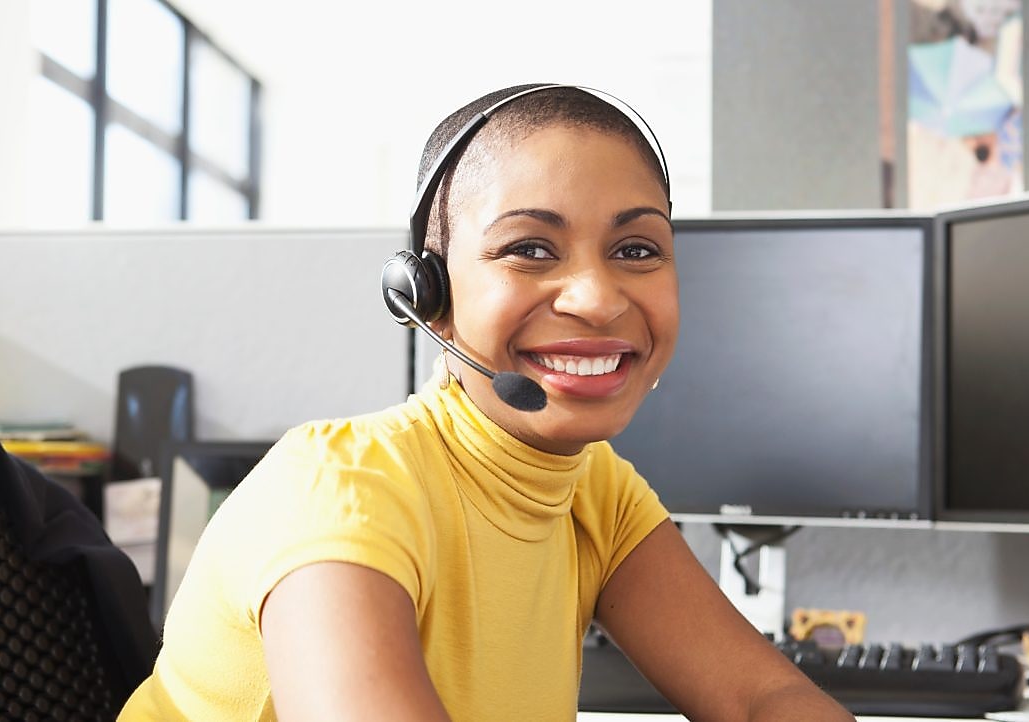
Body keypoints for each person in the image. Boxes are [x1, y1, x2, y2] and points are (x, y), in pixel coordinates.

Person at [117, 84, 852, 721]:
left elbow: (762, 700)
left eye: (636, 250)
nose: (597, 300)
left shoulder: (595, 493)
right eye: (530, 249)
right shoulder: (343, 493)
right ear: (426, 297)